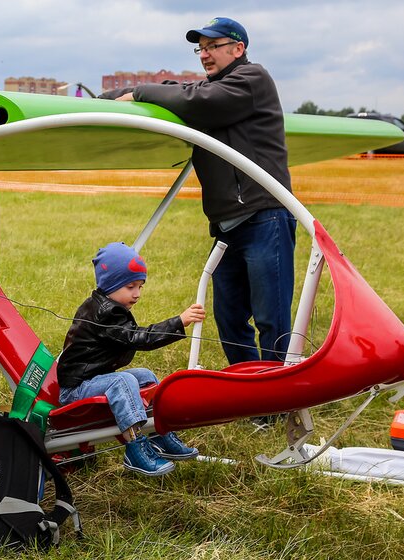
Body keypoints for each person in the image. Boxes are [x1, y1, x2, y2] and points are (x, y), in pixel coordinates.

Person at [101, 17, 297, 385]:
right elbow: (181, 92)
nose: (204, 54)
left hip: (264, 216)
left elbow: (200, 101)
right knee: (229, 317)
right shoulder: (214, 86)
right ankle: (250, 389)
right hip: (227, 225)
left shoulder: (251, 79)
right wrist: (113, 98)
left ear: (238, 49)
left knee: (271, 318)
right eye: (200, 49)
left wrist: (139, 92)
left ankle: (278, 395)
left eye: (213, 46)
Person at [57, 242, 205, 476]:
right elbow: (138, 338)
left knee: (145, 376)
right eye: (130, 286)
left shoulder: (109, 305)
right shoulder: (105, 313)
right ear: (110, 284)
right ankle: (135, 447)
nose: (137, 294)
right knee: (123, 381)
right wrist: (178, 322)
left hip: (94, 378)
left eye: (140, 286)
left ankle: (158, 434)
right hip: (76, 389)